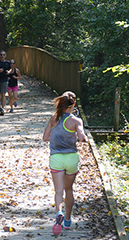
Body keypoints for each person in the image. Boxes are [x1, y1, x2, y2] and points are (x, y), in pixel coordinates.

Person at [42, 91, 87, 235]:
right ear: (74, 104)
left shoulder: (54, 119)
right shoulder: (76, 121)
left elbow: (45, 137)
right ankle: (67, 219)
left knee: (58, 191)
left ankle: (58, 213)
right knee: (69, 189)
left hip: (56, 158)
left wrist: (57, 139)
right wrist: (82, 136)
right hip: (71, 158)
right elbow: (81, 138)